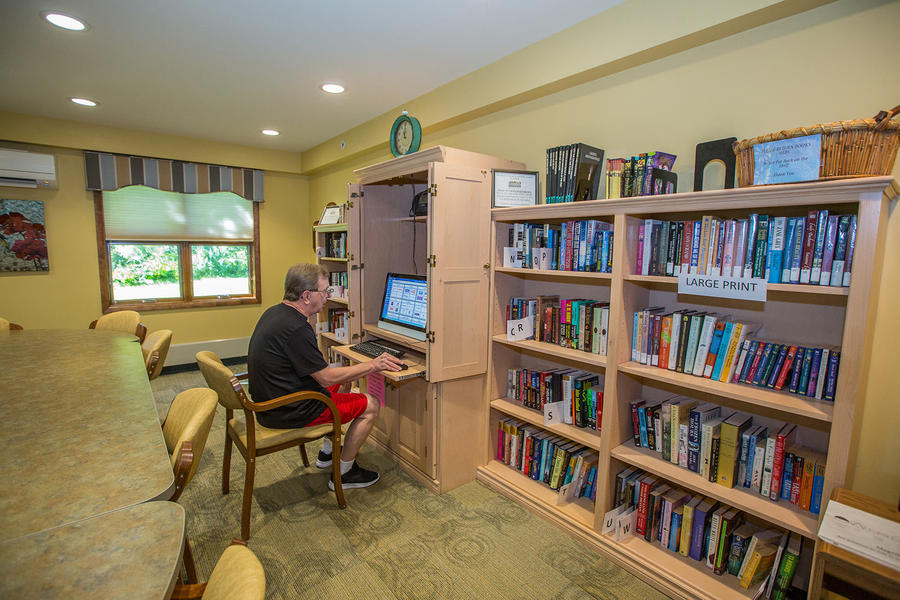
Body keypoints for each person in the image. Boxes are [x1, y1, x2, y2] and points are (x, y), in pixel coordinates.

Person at [248, 263, 404, 490]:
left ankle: (327, 453)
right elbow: (326, 378)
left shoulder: (275, 313)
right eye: (325, 292)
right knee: (370, 404)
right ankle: (345, 474)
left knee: (346, 381)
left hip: (273, 398)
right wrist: (373, 365)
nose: (327, 297)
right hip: (286, 409)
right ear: (306, 295)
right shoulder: (297, 329)